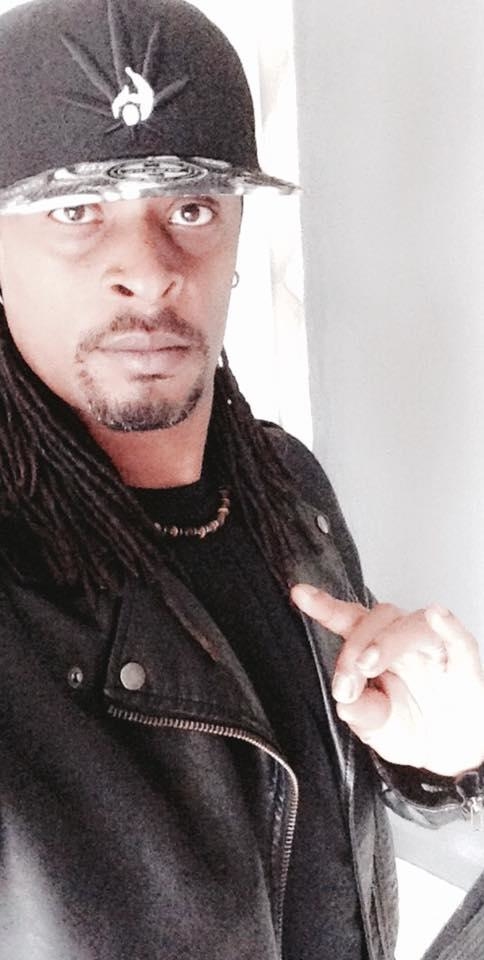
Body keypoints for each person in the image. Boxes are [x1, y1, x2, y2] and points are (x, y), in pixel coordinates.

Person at [0, 0, 481, 958]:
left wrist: (447, 764)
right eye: (75, 212)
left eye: (190, 208)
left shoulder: (284, 487)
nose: (148, 271)